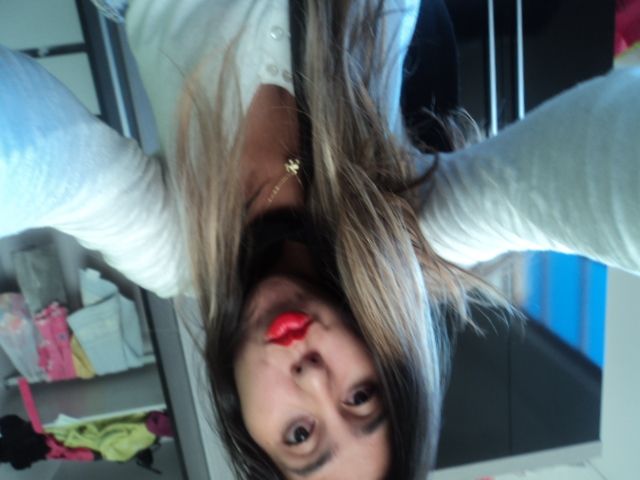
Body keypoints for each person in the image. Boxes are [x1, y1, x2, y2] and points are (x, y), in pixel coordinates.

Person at [1, 1, 638, 479]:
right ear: (393, 366)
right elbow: (592, 178)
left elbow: (44, 163)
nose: (312, 379)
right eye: (361, 397)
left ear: (248, 430)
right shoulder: (407, 230)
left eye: (301, 434)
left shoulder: (176, 250)